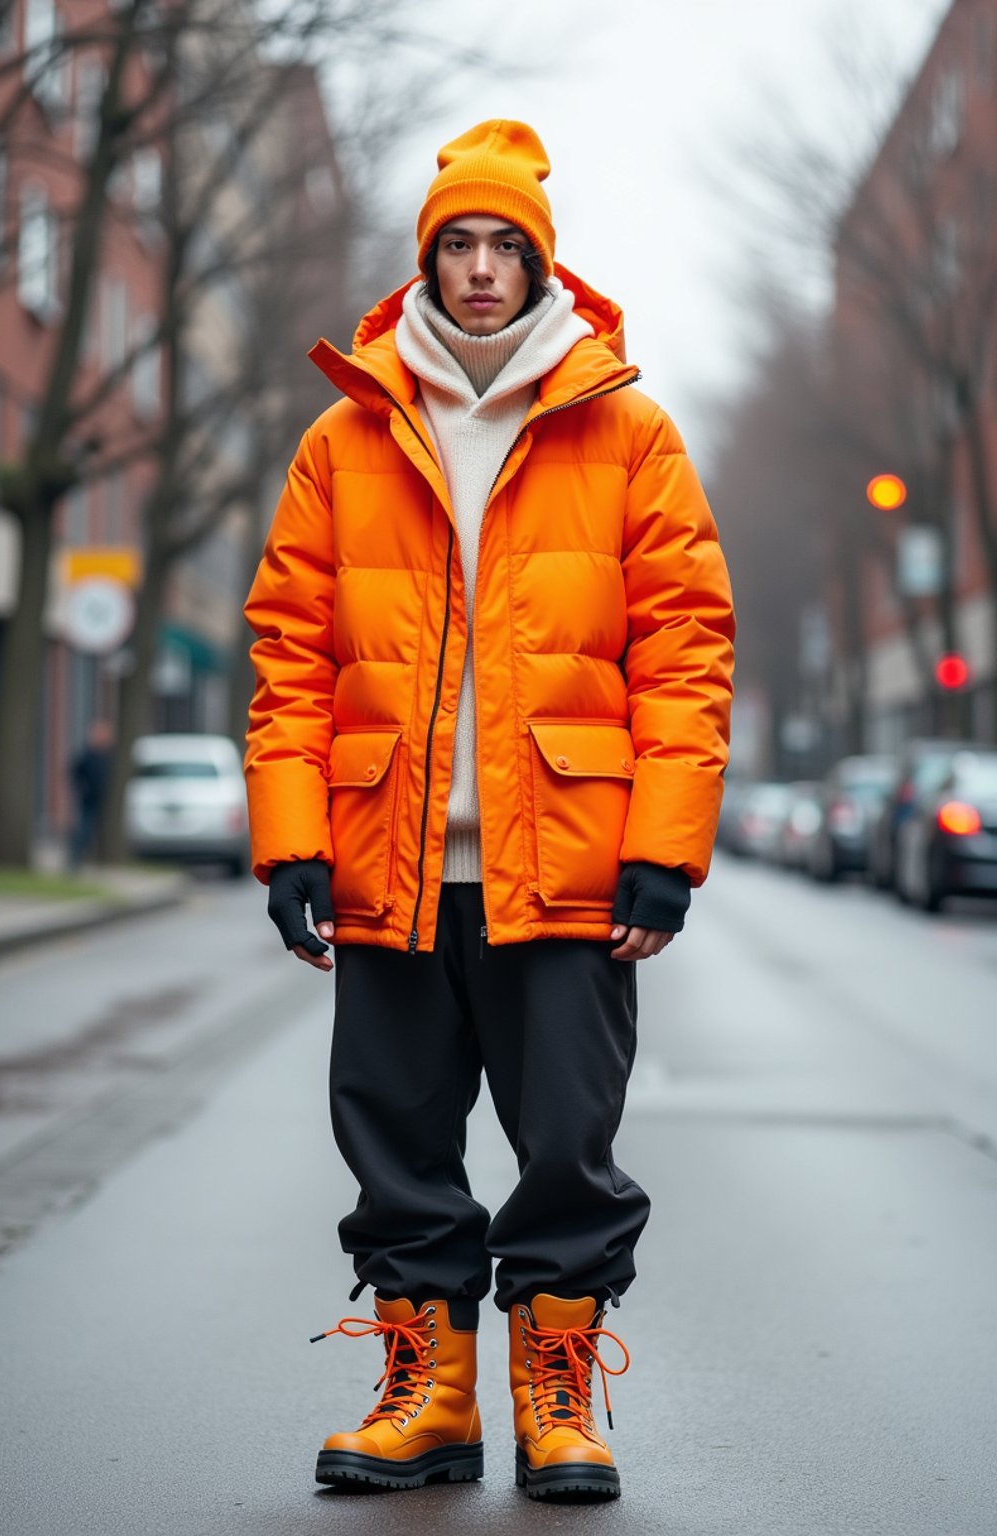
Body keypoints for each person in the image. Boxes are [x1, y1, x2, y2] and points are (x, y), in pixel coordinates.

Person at [244, 119, 735, 1502]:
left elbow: (687, 650)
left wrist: (661, 853)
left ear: (538, 264)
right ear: (422, 262)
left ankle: (560, 1406)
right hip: (386, 862)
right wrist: (290, 841)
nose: (475, 270)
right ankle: (429, 1399)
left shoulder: (626, 428)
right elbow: (288, 649)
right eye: (453, 245)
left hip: (568, 867)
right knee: (395, 1139)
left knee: (566, 1145)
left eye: (500, 247)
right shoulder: (343, 437)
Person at [68, 718, 113, 870]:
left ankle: (95, 858)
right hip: (89, 799)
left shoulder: (107, 755)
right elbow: (75, 772)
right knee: (84, 828)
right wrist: (83, 787)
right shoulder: (87, 754)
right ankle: (75, 858)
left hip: (103, 798)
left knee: (93, 829)